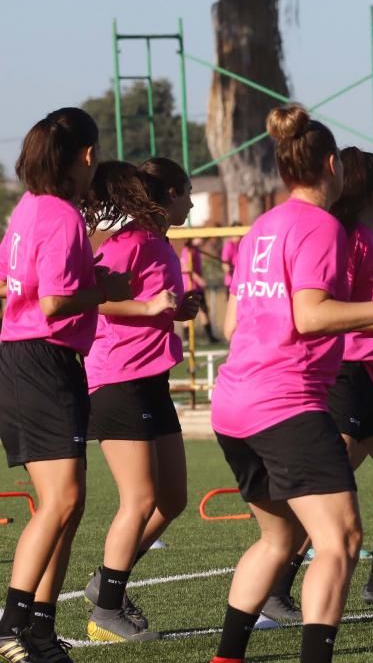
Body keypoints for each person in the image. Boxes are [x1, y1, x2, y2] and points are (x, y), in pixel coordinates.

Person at [208, 105, 373, 663]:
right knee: (338, 540)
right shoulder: (321, 226)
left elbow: (235, 322)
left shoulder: (262, 228)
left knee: (278, 540)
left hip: (235, 402)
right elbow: (310, 316)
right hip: (285, 403)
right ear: (333, 165)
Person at [263, 147, 373, 621]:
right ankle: (275, 592)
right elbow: (325, 314)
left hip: (371, 380)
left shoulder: (366, 236)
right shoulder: (348, 240)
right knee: (322, 493)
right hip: (347, 376)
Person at [0, 108, 133, 663]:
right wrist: (104, 288)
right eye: (94, 152)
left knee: (67, 504)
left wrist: (91, 284)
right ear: (84, 154)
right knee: (61, 501)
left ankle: (39, 628)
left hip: (27, 358)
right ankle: (10, 626)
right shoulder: (59, 214)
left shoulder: (27, 208)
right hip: (42, 360)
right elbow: (54, 304)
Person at [80, 158, 204, 644]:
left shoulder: (157, 242)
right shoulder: (126, 241)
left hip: (151, 377)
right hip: (116, 379)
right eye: (187, 192)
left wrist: (177, 309)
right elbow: (91, 296)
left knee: (172, 499)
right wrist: (150, 306)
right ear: (167, 194)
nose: (192, 202)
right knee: (140, 499)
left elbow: (151, 303)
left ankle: (104, 581)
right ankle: (108, 609)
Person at [179, 236, 219, 343]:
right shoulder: (187, 250)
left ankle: (210, 337)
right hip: (189, 286)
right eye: (199, 238)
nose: (201, 240)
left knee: (204, 310)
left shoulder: (196, 250)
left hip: (197, 288)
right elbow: (187, 267)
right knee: (188, 310)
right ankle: (187, 337)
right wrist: (199, 279)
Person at [221, 230, 240, 298]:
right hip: (231, 283)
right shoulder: (229, 245)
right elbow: (225, 265)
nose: (238, 237)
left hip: (241, 283)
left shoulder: (242, 244)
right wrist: (230, 269)